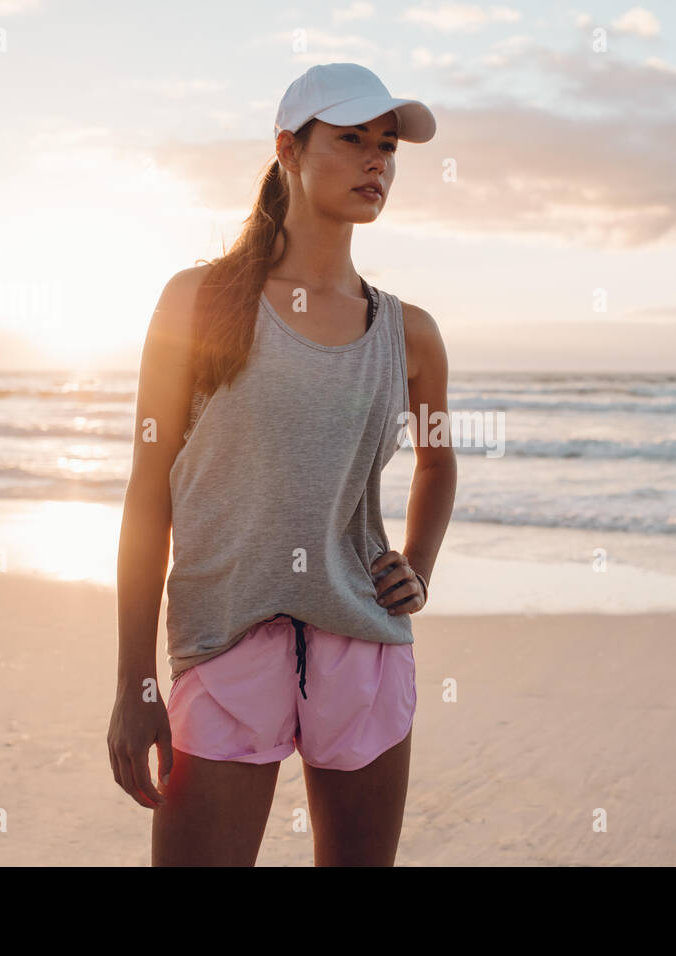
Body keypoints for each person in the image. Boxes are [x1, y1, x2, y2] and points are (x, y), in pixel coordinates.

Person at [107, 63, 456, 866]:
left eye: (388, 146)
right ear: (288, 151)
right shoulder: (196, 301)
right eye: (352, 140)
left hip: (364, 643)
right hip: (225, 642)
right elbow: (147, 491)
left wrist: (418, 567)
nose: (377, 162)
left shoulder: (412, 333)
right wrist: (137, 680)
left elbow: (438, 463)